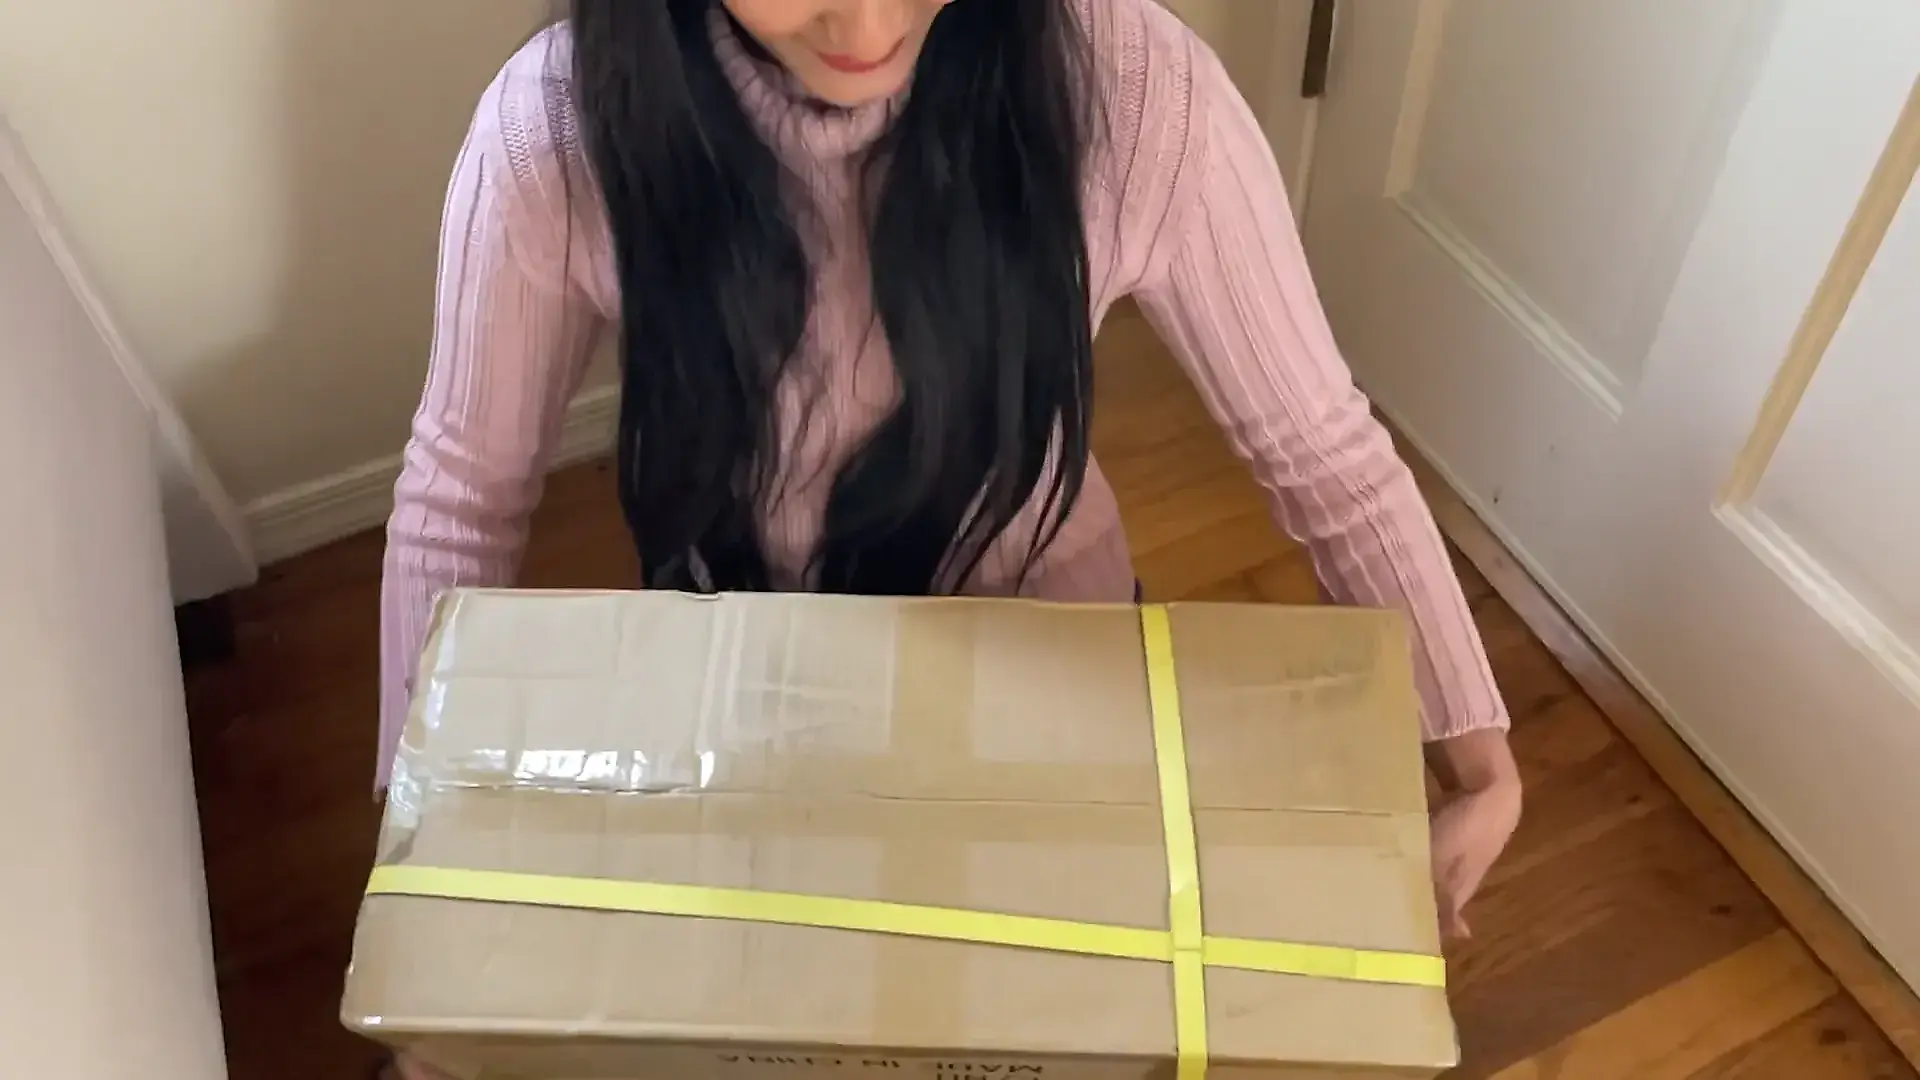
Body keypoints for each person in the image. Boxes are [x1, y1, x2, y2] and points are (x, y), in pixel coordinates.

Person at [378, 3, 1521, 1070]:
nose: (868, 24)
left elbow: (1322, 450)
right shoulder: (554, 131)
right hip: (738, 699)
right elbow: (463, 495)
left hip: (1054, 689)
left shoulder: (1136, 90)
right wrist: (413, 870)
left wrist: (1477, 754)